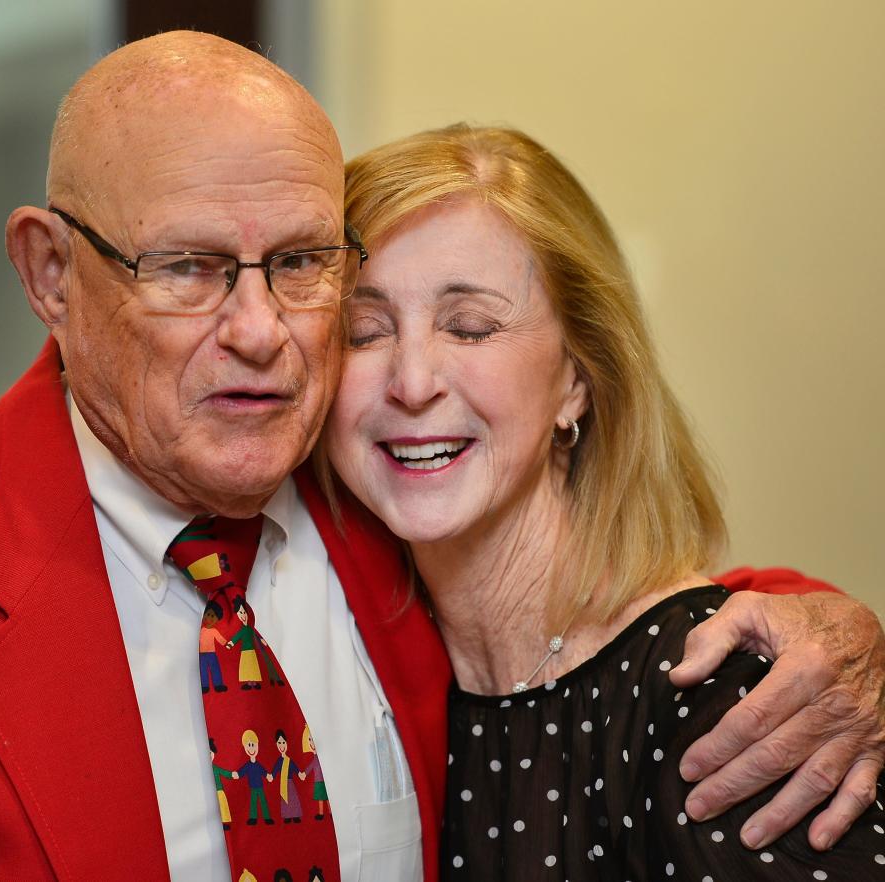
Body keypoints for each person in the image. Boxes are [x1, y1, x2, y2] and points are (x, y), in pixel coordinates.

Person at [0, 30, 882, 882]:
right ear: (52, 273)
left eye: (300, 263)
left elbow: (606, 630)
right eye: (188, 266)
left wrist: (831, 633)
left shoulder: (365, 506)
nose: (259, 332)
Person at [323, 122, 885, 879]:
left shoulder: (724, 696)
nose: (412, 381)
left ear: (577, 380)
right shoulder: (367, 681)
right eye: (363, 332)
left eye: (471, 327)